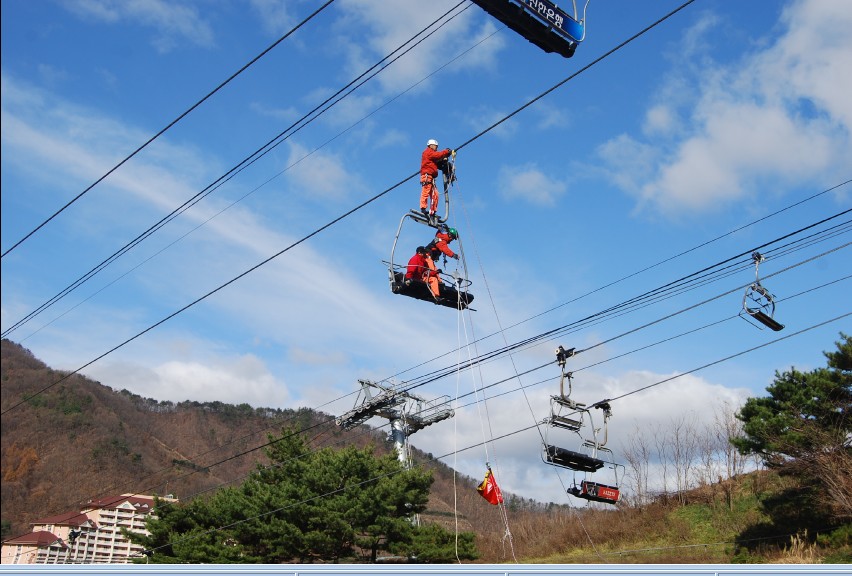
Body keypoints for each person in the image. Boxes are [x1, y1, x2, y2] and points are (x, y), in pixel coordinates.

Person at [420, 139, 453, 218]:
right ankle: (423, 208)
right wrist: (446, 152)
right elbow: (438, 155)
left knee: (435, 195)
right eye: (436, 146)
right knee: (426, 191)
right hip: (427, 176)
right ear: (431, 145)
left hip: (432, 178)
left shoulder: (432, 155)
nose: (437, 148)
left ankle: (433, 211)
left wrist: (444, 158)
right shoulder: (428, 152)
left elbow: (437, 158)